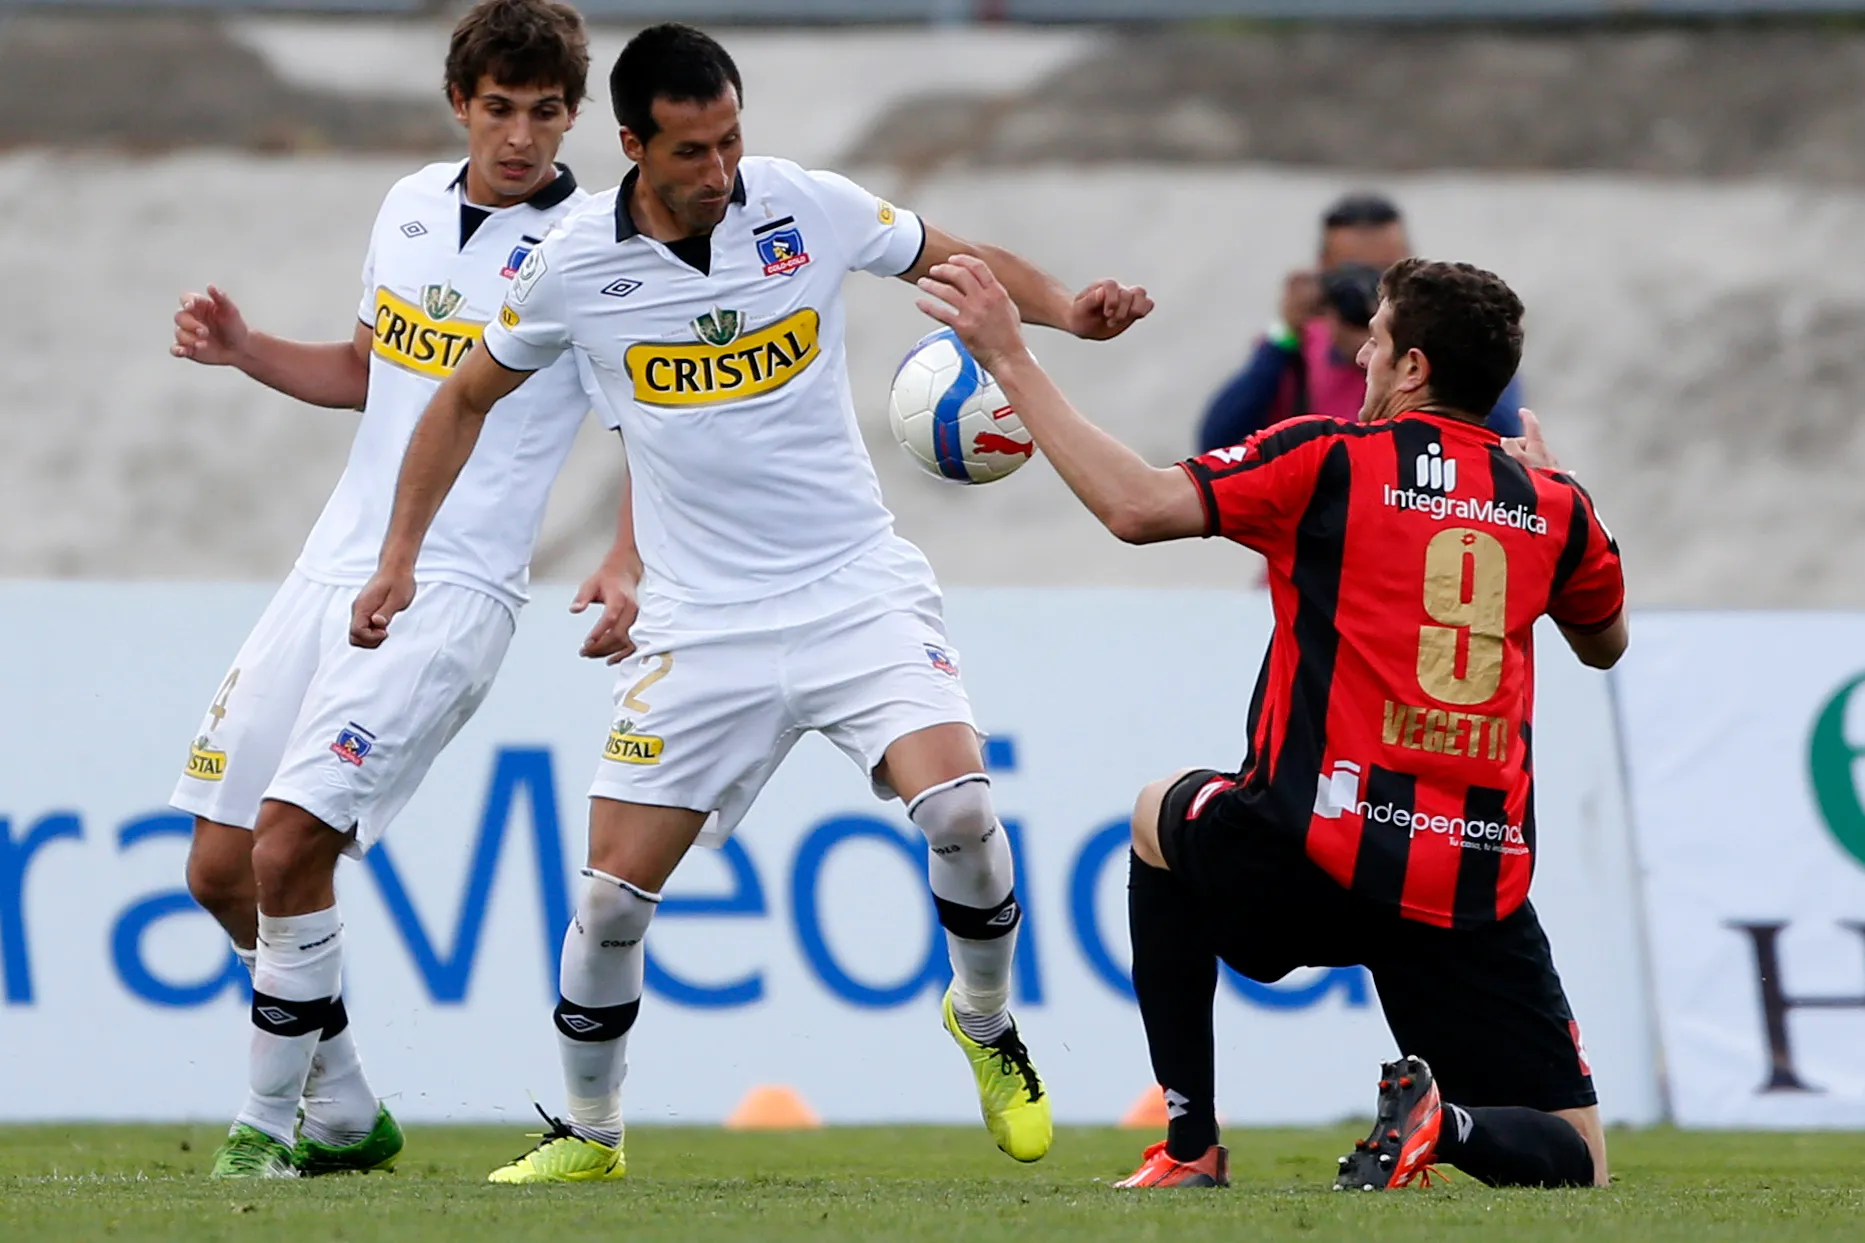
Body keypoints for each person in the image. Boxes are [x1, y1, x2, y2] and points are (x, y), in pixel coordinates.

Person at [349, 22, 1153, 1183]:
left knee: (963, 816)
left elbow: (953, 255)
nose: (721, 171)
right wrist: (397, 557)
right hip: (700, 623)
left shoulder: (804, 207)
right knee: (611, 900)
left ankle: (981, 1020)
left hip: (849, 590)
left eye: (731, 140)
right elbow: (461, 398)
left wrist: (1071, 310)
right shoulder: (573, 265)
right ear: (631, 145)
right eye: (692, 152)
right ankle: (589, 1131)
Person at [918, 253, 1624, 1192]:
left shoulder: (1331, 457)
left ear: (1411, 366)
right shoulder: (1554, 505)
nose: (1363, 359)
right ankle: (1445, 1124)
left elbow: (1136, 505)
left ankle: (1189, 1143)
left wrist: (1009, 355)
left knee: (1155, 815)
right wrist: (1562, 495)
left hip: (1313, 853)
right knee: (1573, 1156)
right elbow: (1603, 641)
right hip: (1467, 876)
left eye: (1373, 340)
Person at [167, 0, 624, 1179]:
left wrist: (625, 557)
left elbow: (650, 426)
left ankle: (264, 1135)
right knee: (218, 872)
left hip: (452, 588)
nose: (519, 135)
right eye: (498, 109)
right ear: (460, 105)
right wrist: (246, 349)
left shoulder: (591, 250)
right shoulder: (410, 206)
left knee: (284, 851)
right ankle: (346, 1105)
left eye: (544, 112)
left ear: (572, 115)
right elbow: (371, 373)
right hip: (332, 566)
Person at [1198, 193, 1524, 448]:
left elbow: (1505, 438)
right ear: (1323, 268)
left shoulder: (1457, 345)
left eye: (1386, 271)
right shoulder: (1295, 349)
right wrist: (1283, 335)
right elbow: (1217, 443)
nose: (1374, 291)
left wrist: (1414, 358)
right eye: (1355, 274)